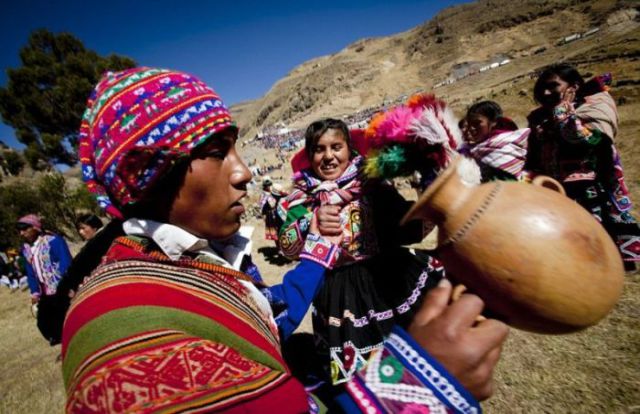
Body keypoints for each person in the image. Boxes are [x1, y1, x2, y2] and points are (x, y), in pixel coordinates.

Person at [62, 67, 507, 413]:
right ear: (148, 175)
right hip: (340, 295)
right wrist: (419, 384)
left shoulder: (197, 267)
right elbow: (289, 248)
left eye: (236, 151)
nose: (242, 173)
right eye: (218, 154)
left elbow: (264, 313)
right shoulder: (130, 328)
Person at [277, 118, 445, 385]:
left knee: (412, 356)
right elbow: (287, 248)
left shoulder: (372, 185)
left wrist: (432, 200)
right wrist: (311, 223)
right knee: (357, 377)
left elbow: (403, 227)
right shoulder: (301, 199)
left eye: (336, 147)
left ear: (349, 149)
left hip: (385, 280)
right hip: (336, 294)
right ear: (310, 155)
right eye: (319, 149)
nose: (329, 156)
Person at [526, 64, 640, 269]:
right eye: (542, 87)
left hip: (591, 195)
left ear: (574, 87)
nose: (545, 92)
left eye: (553, 86)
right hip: (554, 195)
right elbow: (533, 157)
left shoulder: (595, 107)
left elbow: (583, 139)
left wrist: (563, 112)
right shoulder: (539, 119)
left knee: (592, 253)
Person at [460, 100, 529, 182]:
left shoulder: (502, 145)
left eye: (477, 123)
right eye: (470, 124)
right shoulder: (475, 147)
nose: (471, 128)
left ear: (494, 122)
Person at [16, 214, 72, 306]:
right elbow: (31, 273)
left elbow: (65, 262)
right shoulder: (27, 249)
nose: (21, 233)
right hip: (45, 294)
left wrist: (68, 285)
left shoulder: (53, 241)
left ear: (35, 227)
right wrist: (35, 292)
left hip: (62, 287)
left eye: (25, 229)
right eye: (19, 231)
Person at [259, 177, 287, 243]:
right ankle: (279, 248)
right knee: (275, 232)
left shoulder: (275, 193)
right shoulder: (264, 195)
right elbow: (263, 207)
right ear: (265, 187)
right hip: (271, 215)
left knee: (281, 230)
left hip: (278, 213)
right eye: (268, 185)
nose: (269, 187)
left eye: (270, 185)